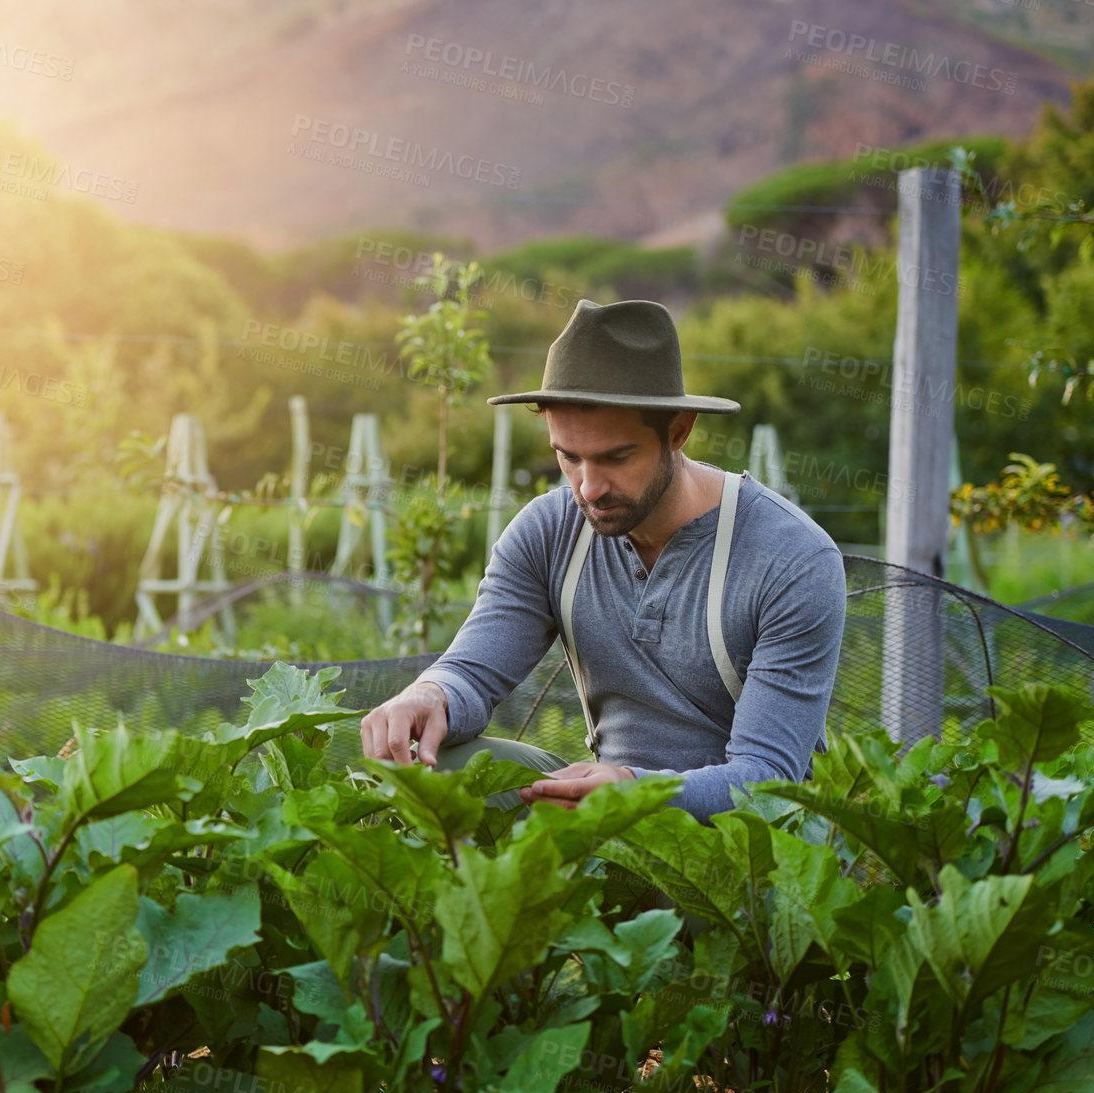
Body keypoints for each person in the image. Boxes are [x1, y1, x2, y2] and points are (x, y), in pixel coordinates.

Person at [359, 299, 847, 821]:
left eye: (616, 457)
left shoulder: (791, 558)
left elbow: (767, 780)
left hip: (744, 850)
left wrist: (633, 788)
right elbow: (472, 673)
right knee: (444, 769)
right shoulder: (549, 530)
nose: (589, 488)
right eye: (568, 456)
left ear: (678, 430)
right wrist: (429, 696)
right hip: (605, 812)